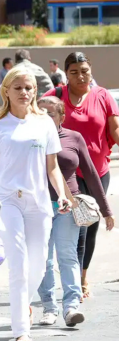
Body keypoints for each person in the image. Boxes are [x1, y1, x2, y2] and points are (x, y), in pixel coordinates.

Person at [0, 66, 71, 341]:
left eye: (29, 88)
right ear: (6, 91)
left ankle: (24, 306)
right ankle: (21, 329)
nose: (24, 93)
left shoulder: (44, 124)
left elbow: (52, 167)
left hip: (39, 201)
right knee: (17, 264)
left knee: (39, 265)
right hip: (7, 201)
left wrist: (62, 194)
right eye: (18, 88)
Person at [42, 52, 119, 299]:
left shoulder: (103, 96)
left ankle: (82, 275)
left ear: (91, 70)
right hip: (65, 173)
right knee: (76, 227)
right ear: (66, 74)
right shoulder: (55, 96)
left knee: (90, 224)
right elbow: (32, 115)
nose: (80, 75)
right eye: (74, 71)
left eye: (84, 70)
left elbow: (115, 128)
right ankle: (72, 280)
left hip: (98, 171)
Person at [35, 96, 113, 328]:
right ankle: (49, 307)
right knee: (44, 259)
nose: (45, 117)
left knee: (67, 255)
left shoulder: (73, 137)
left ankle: (71, 307)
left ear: (61, 116)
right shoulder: (30, 139)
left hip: (67, 205)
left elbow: (90, 173)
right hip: (37, 207)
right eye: (40, 112)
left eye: (50, 113)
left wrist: (106, 209)